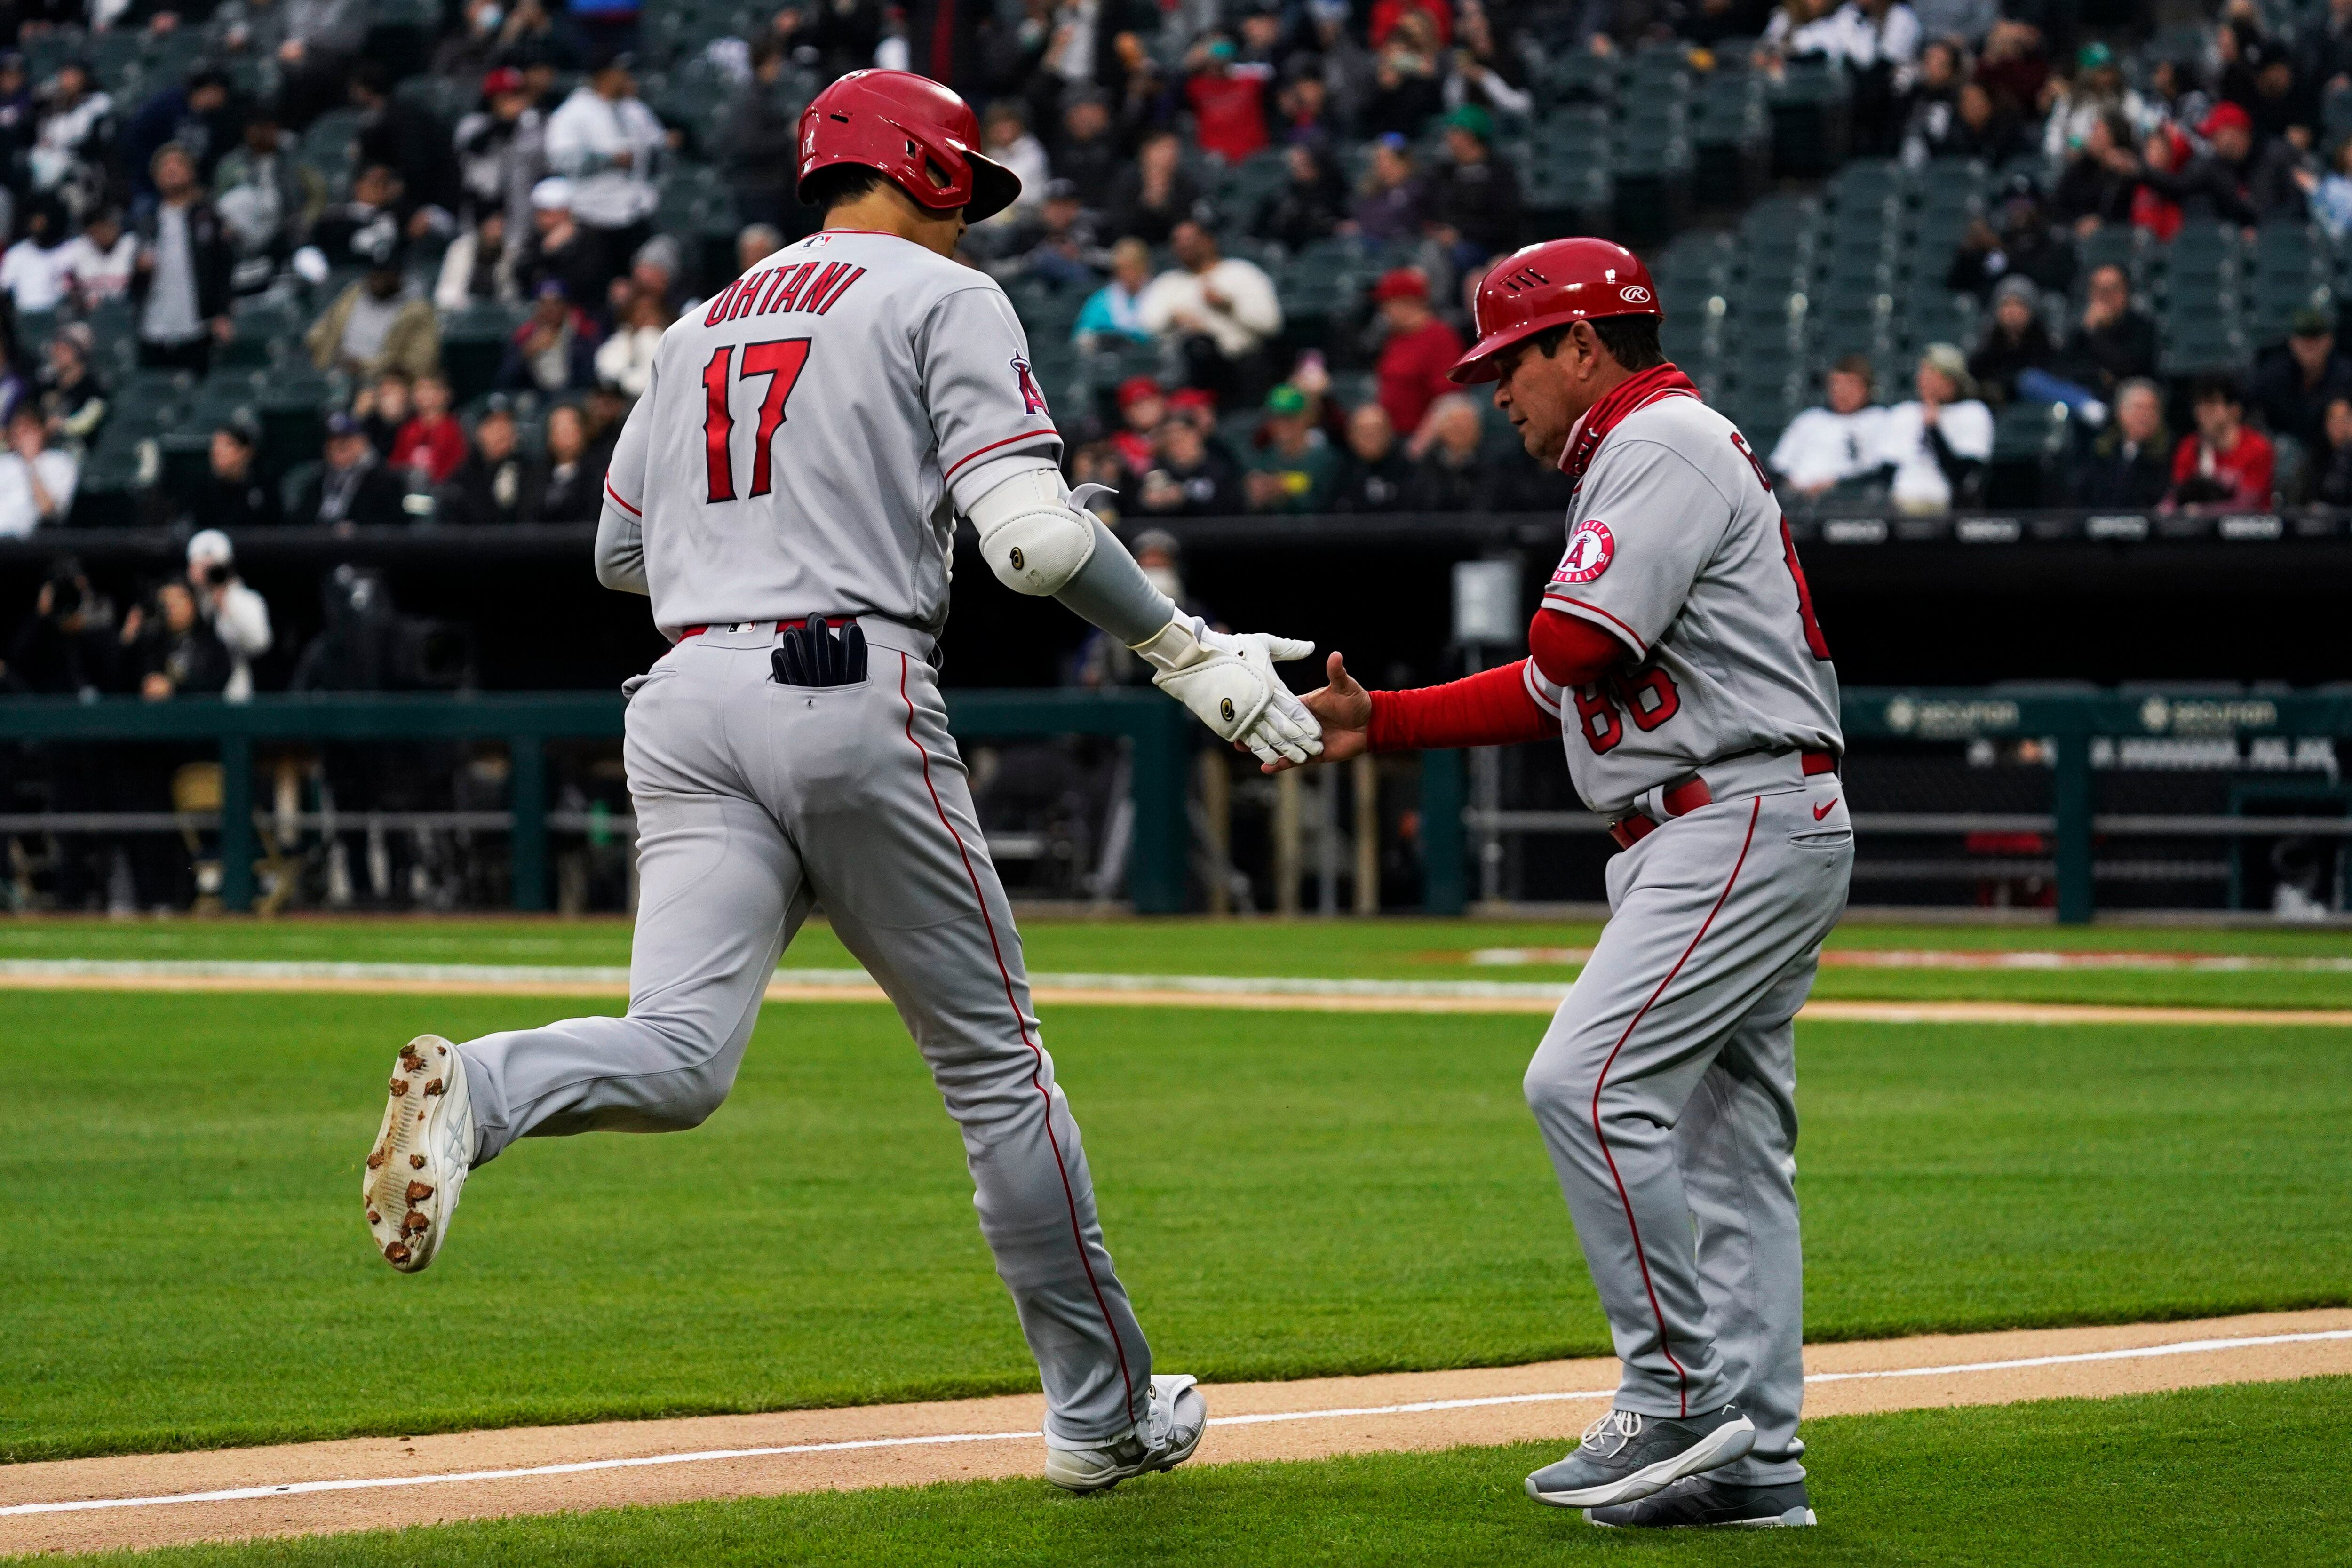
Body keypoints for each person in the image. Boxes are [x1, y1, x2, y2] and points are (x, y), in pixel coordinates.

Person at [363, 71, 1327, 1500]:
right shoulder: (943, 300)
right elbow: (1038, 546)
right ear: (925, 168)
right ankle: (1100, 1414)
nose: (971, 219)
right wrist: (1183, 648)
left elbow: (618, 559)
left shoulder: (698, 322)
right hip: (842, 682)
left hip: (684, 700)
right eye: (966, 190)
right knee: (997, 1073)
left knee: (680, 1052)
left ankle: (487, 1088)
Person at [1280, 237, 1845, 1530]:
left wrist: (1563, 587)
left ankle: (1683, 1392)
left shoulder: (1658, 442)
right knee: (1729, 1152)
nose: (1498, 391)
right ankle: (1754, 1457)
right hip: (1730, 810)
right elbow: (1555, 686)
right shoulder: (1648, 451)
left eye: (1512, 361)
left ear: (1582, 344)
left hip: (1732, 812)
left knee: (1584, 1084)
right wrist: (1390, 720)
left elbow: (1571, 639)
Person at [542, 49, 666, 293]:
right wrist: (609, 160)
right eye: (619, 72)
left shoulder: (634, 111)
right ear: (603, 76)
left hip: (634, 214)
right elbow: (560, 161)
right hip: (592, 216)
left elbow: (659, 149)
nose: (625, 77)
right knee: (595, 289)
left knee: (640, 290)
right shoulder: (573, 113)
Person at [1135, 217, 1282, 406]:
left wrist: (1229, 307)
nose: (1184, 246)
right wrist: (1173, 319)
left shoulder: (1241, 272)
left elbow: (1271, 324)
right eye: (1178, 241)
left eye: (1190, 239)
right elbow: (1145, 326)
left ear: (1208, 240)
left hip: (1240, 367)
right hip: (1190, 373)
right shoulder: (1168, 284)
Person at [133, 144, 235, 373]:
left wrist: (222, 313)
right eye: (164, 167)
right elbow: (133, 281)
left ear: (191, 171)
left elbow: (223, 268)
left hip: (197, 326)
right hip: (154, 328)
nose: (171, 170)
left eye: (177, 164)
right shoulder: (147, 222)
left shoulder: (208, 216)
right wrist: (139, 269)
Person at [305, 232, 442, 380]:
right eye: (375, 272)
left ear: (399, 273)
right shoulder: (354, 293)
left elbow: (419, 363)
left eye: (385, 273)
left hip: (384, 385)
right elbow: (318, 332)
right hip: (336, 376)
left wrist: (365, 366)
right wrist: (324, 353)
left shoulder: (418, 309)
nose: (378, 278)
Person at [1875, 344, 1992, 514]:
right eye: (1922, 373)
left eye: (1931, 373)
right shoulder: (1903, 413)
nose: (1922, 379)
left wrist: (1934, 428)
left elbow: (1962, 477)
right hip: (1899, 503)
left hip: (1947, 504)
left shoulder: (1973, 413)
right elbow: (1886, 472)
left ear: (1951, 380)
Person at [1769, 356, 1888, 496]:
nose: (1842, 391)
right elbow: (1778, 467)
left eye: (1850, 384)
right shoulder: (1809, 419)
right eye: (1836, 384)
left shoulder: (1880, 419)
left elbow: (1880, 472)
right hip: (1796, 500)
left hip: (1850, 502)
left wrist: (1835, 486)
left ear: (1867, 388)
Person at [1369, 268, 1464, 441]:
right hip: (1393, 438)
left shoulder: (1440, 336)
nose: (1384, 311)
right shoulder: (1395, 338)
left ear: (1407, 302)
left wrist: (1419, 446)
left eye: (1387, 304)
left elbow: (1448, 399)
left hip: (1425, 439)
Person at [1422, 104, 1520, 263]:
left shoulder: (1499, 172)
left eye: (1454, 132)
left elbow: (1505, 222)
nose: (1448, 138)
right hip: (1446, 242)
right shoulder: (1445, 172)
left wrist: (1461, 233)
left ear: (1470, 136)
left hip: (1488, 248)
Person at [185, 528, 273, 701]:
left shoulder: (246, 600)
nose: (208, 573)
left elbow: (259, 643)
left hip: (232, 699)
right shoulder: (185, 601)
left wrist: (225, 603)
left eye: (214, 567)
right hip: (191, 699)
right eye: (202, 566)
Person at [2251, 307, 2352, 455]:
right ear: (2293, 342)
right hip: (2278, 450)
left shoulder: (2346, 376)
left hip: (2330, 455)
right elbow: (2251, 406)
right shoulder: (2273, 375)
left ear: (2329, 341)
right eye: (2304, 340)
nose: (2310, 347)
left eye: (2316, 340)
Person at [2051, 263, 2157, 400]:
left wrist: (2094, 333)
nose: (2105, 296)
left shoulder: (2142, 326)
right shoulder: (2080, 329)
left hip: (2127, 399)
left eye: (2113, 289)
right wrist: (2099, 376)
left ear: (2126, 293)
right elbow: (2062, 370)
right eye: (2099, 290)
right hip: (2085, 398)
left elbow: (2129, 370)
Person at [2169, 377, 2275, 509]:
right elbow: (2175, 497)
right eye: (2199, 404)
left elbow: (2246, 505)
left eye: (2212, 404)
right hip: (2199, 527)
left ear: (2235, 410)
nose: (2203, 411)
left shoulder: (2258, 448)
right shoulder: (2190, 446)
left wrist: (2200, 512)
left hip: (2250, 527)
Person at [2067, 379, 2170, 509]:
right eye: (2139, 408)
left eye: (2152, 409)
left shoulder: (2170, 454)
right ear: (2120, 411)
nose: (2145, 416)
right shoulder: (2101, 451)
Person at [294, 411, 406, 530]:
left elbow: (392, 523)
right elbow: (300, 521)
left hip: (361, 546)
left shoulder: (385, 480)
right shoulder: (318, 480)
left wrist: (357, 529)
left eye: (344, 444)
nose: (336, 449)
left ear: (362, 442)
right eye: (331, 444)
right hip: (317, 543)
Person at [437, 395, 536, 525]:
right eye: (492, 423)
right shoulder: (463, 477)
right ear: (478, 432)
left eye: (507, 422)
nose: (501, 430)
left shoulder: (531, 471)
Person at [1243, 382, 1340, 512]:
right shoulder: (1263, 459)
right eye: (1276, 418)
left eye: (1290, 417)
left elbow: (1323, 498)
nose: (1282, 424)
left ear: (1306, 418)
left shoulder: (1326, 459)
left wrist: (1283, 488)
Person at [1967, 275, 2057, 408]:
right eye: (2006, 305)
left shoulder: (2045, 343)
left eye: (2019, 304)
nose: (2012, 312)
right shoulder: (1987, 344)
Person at [500, 279, 602, 392]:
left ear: (566, 306)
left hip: (573, 395)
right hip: (536, 399)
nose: (550, 310)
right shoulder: (523, 336)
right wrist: (526, 353)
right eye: (544, 304)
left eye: (556, 304)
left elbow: (591, 376)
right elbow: (504, 382)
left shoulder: (582, 333)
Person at [1105, 130, 1200, 246]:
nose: (1170, 155)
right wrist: (1147, 203)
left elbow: (1186, 221)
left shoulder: (1184, 183)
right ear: (1147, 151)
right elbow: (1118, 222)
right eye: (1164, 149)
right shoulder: (1126, 180)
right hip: (1133, 243)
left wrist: (1163, 203)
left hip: (1172, 247)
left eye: (1174, 150)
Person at [187, 419, 281, 533]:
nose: (218, 451)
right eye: (215, 445)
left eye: (228, 445)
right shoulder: (202, 489)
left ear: (246, 451)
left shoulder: (265, 487)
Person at [0, 402, 76, 534]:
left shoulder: (61, 462)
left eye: (27, 431)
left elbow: (48, 510)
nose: (21, 436)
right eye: (17, 431)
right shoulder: (5, 462)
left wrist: (30, 464)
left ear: (41, 431)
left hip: (28, 541)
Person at [1329, 401, 1414, 511]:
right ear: (1350, 436)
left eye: (1377, 429)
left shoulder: (1410, 467)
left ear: (1390, 433)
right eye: (1363, 430)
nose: (1371, 435)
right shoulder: (1338, 470)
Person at [1072, 237, 1155, 351]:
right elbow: (1082, 336)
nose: (1125, 274)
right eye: (1121, 269)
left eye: (1131, 268)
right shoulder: (1101, 301)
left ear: (1144, 267)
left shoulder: (1160, 295)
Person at [35, 323, 107, 454]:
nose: (57, 353)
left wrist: (62, 426)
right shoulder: (47, 385)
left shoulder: (93, 387)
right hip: (45, 451)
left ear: (79, 353)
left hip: (80, 451)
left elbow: (89, 420)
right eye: (56, 348)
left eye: (64, 350)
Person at [389, 374, 469, 486]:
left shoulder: (453, 430)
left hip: (441, 492)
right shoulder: (408, 429)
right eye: (420, 389)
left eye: (430, 389)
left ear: (444, 394)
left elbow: (457, 466)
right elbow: (396, 463)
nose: (424, 394)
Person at [524, 401, 599, 520]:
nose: (565, 433)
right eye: (558, 427)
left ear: (583, 431)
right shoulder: (533, 476)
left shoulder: (598, 476)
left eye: (570, 426)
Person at [1, 196, 75, 313]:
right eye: (34, 219)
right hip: (26, 320)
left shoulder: (72, 251)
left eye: (41, 219)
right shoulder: (17, 254)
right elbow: (4, 290)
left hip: (62, 317)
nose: (37, 224)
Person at [56, 207, 138, 304]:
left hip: (125, 312)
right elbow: (61, 287)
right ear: (89, 232)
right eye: (97, 230)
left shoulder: (131, 245)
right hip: (88, 314)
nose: (103, 234)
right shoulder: (77, 248)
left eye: (107, 227)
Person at [2309, 396, 2352, 507]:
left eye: (2345, 419)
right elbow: (2326, 490)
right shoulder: (2319, 451)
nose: (2338, 425)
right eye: (2334, 419)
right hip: (2328, 513)